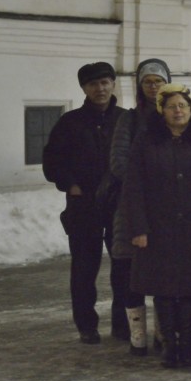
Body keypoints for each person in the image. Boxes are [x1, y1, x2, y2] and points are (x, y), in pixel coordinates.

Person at [120, 84, 191, 369]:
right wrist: (138, 228)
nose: (178, 111)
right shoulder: (145, 141)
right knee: (163, 288)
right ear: (161, 111)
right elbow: (133, 187)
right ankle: (169, 345)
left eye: (182, 106)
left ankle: (187, 344)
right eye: (171, 106)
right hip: (157, 229)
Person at [42, 62, 127, 345]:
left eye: (104, 82)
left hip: (118, 205)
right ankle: (86, 325)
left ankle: (122, 323)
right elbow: (52, 163)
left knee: (123, 267)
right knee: (84, 268)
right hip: (83, 205)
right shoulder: (70, 123)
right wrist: (72, 185)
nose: (100, 89)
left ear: (113, 84)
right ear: (84, 88)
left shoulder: (125, 120)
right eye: (93, 84)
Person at [108, 58, 172, 354]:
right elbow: (118, 162)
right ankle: (137, 336)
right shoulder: (129, 120)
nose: (153, 87)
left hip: (166, 210)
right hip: (131, 207)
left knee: (163, 273)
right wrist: (149, 180)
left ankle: (162, 332)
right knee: (128, 274)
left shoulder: (175, 115)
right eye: (148, 82)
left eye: (159, 81)